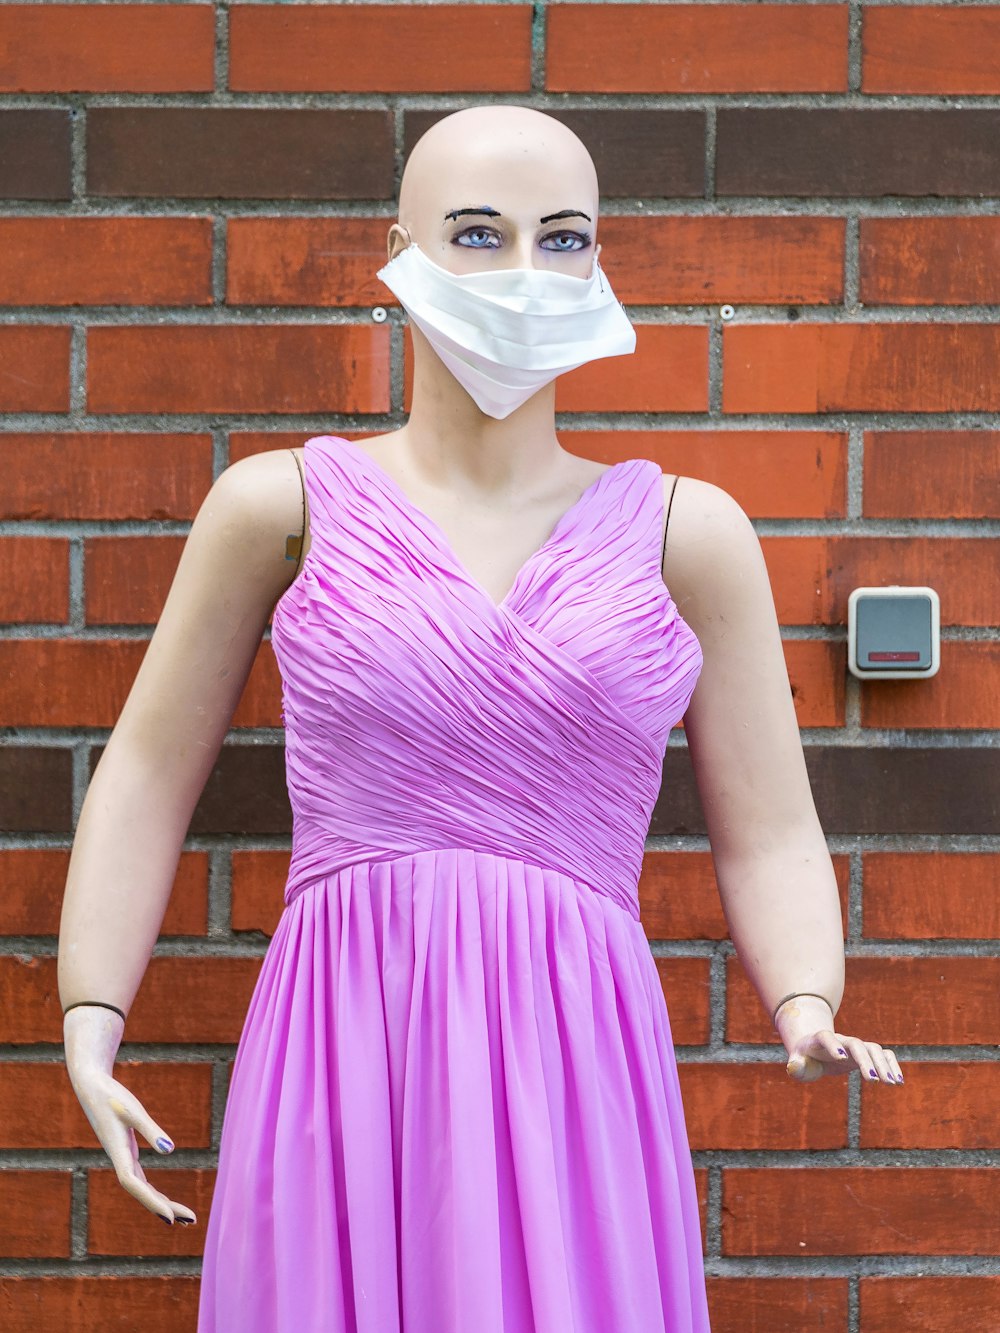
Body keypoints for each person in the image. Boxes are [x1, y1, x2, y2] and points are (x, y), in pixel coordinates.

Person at [58, 105, 903, 1332]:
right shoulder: (278, 508)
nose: (524, 272)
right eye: (476, 232)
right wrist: (92, 1016)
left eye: (563, 239)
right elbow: (142, 776)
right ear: (398, 255)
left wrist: (806, 998)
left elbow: (768, 830)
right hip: (348, 1037)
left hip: (577, 1056)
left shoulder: (688, 535)